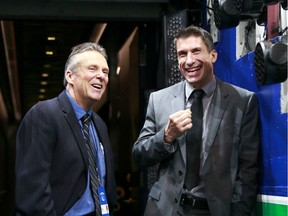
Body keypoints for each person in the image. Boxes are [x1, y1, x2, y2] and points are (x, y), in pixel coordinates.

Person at [132, 25, 260, 216]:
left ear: (213, 56)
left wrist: (239, 211)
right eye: (182, 54)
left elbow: (248, 168)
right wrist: (166, 136)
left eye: (196, 51)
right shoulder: (159, 100)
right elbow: (139, 155)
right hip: (164, 210)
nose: (189, 60)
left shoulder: (242, 101)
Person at [15, 42, 117, 215]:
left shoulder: (99, 123)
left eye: (105, 71)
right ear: (70, 76)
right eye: (92, 69)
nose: (101, 76)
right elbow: (33, 191)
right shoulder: (44, 114)